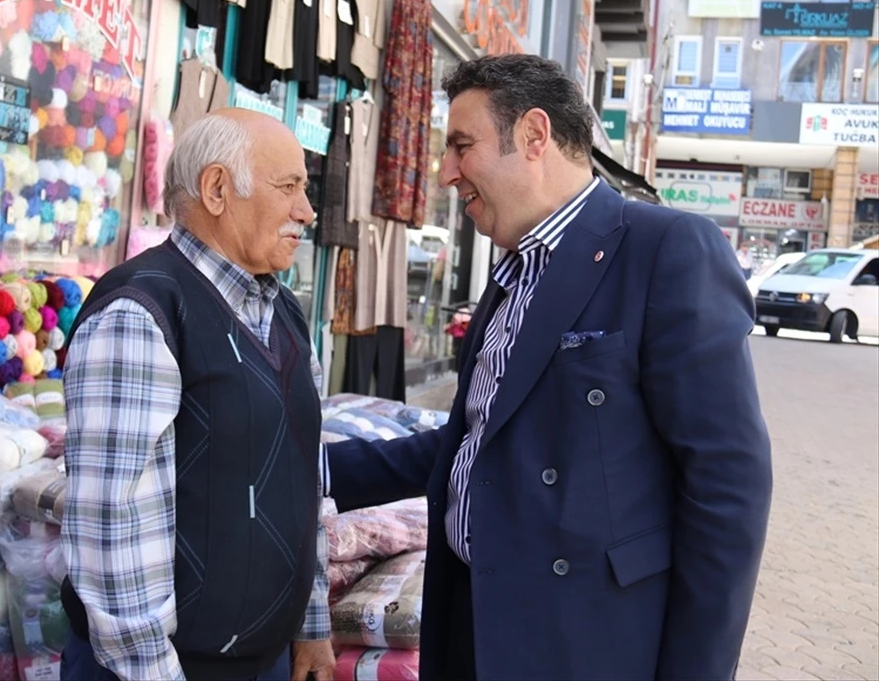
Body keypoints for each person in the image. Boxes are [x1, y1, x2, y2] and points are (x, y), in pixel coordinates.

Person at [324, 55, 772, 680]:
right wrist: (309, 462)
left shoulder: (664, 249)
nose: (447, 172)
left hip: (582, 641)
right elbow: (474, 446)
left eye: (461, 145)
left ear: (533, 135)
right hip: (470, 620)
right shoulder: (510, 274)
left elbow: (728, 484)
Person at [59, 109, 336, 681]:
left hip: (265, 660)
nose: (306, 212)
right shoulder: (141, 311)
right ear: (216, 190)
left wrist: (310, 625)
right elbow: (114, 527)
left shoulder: (283, 310)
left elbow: (306, 480)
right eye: (289, 188)